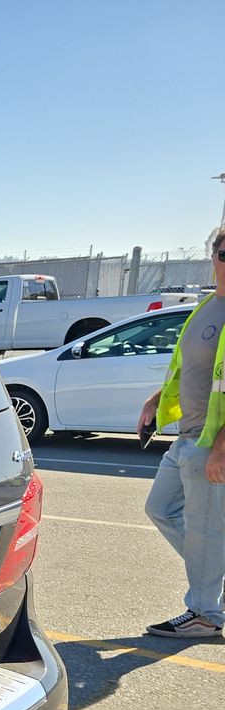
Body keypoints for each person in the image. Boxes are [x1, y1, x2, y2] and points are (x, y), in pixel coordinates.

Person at [139, 226, 225, 636]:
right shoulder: (207, 305)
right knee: (160, 509)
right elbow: (187, 369)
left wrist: (222, 446)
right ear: (214, 256)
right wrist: (156, 401)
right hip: (185, 436)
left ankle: (207, 614)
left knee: (205, 530)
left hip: (211, 442)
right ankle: (213, 574)